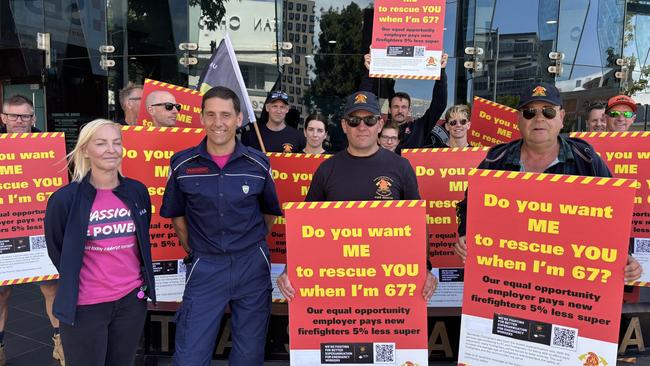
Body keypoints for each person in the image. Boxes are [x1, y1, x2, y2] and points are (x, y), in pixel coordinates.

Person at [453, 82, 642, 282]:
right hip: (508, 283)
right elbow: (469, 205)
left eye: (548, 112)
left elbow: (615, 213)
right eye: (529, 112)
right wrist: (466, 235)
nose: (539, 118)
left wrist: (626, 255)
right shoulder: (495, 160)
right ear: (519, 119)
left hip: (568, 284)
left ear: (561, 117)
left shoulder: (586, 160)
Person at [160, 86, 282, 366]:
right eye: (211, 114)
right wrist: (198, 251)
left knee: (249, 355)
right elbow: (177, 216)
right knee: (190, 354)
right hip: (206, 266)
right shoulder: (183, 164)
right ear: (201, 118)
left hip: (252, 265)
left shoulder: (258, 163)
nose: (218, 123)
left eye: (226, 115)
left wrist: (250, 245)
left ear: (239, 118)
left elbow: (268, 214)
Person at [276, 90, 437, 301]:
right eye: (354, 120)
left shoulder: (401, 167)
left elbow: (417, 222)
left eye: (369, 120)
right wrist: (291, 268)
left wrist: (424, 266)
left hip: (390, 284)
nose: (362, 127)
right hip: (337, 286)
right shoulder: (327, 170)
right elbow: (305, 227)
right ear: (344, 125)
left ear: (379, 124)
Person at [44, 119, 156, 366]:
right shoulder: (65, 199)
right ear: (85, 149)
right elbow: (58, 249)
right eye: (101, 143)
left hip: (130, 302)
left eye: (116, 143)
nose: (111, 149)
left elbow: (140, 240)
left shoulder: (137, 192)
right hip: (85, 305)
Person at [0, 94, 61, 366]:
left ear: (33, 118)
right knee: (1, 294)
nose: (19, 121)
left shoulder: (48, 147)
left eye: (25, 116)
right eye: (13, 115)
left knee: (52, 289)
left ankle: (61, 345)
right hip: (4, 229)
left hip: (38, 228)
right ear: (3, 118)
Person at [361, 53, 448, 153]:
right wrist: (369, 71)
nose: (400, 111)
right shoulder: (378, 127)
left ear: (409, 110)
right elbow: (364, 103)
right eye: (396, 107)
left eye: (404, 107)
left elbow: (439, 105)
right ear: (389, 109)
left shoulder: (418, 128)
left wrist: (441, 71)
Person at [240, 91, 306, 152]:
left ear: (287, 109)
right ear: (267, 108)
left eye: (282, 107)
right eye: (274, 106)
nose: (278, 111)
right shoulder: (252, 136)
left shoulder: (298, 137)